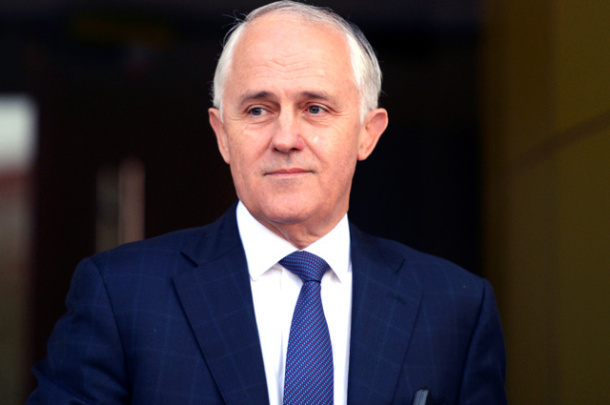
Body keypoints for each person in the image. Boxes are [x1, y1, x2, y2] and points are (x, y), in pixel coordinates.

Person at [27, 1, 507, 404]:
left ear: (368, 132)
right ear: (222, 135)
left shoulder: (455, 308)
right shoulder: (121, 296)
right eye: (258, 109)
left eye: (315, 108)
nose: (285, 138)